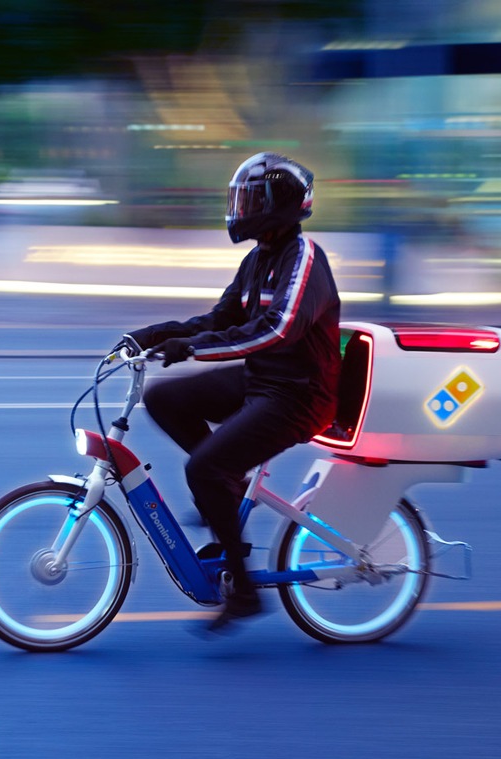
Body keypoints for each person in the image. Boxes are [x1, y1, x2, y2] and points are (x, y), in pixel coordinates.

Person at [116, 152, 341, 632]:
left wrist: (194, 348)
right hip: (263, 382)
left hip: (299, 396)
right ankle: (226, 488)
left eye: (250, 199)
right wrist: (157, 334)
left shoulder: (305, 261)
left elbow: (275, 331)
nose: (240, 208)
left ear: (277, 205)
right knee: (164, 398)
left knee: (204, 467)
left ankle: (243, 592)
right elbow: (220, 320)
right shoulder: (257, 260)